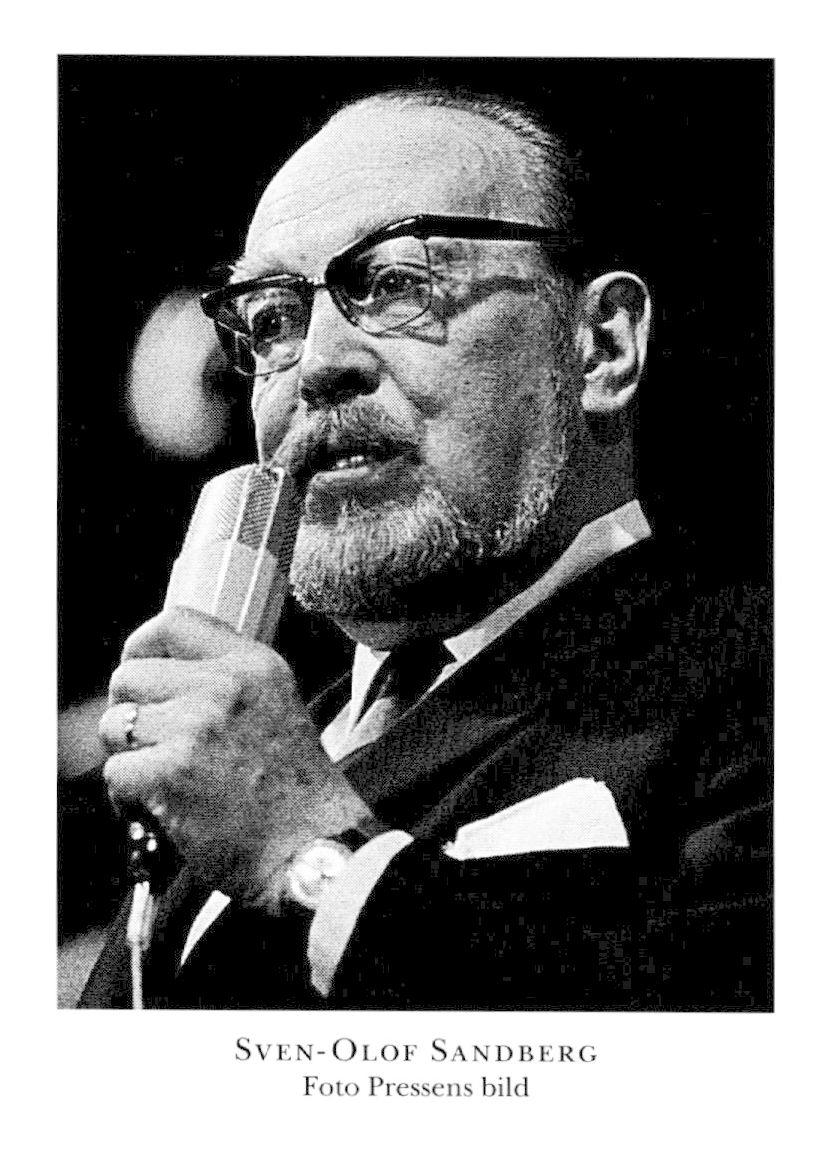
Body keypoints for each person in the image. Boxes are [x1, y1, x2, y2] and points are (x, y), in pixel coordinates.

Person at [81, 89, 770, 1010]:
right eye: (274, 317)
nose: (317, 363)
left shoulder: (765, 681)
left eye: (397, 282)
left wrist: (313, 857)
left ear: (599, 347)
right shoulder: (236, 758)